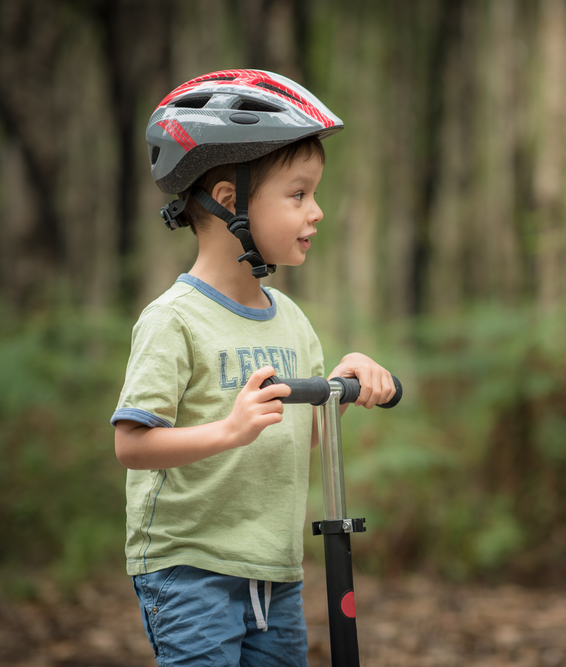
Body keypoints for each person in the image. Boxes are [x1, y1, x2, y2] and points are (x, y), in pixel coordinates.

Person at [111, 69, 395, 667]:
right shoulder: (175, 320)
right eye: (297, 195)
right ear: (229, 200)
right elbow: (132, 444)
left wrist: (348, 382)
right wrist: (228, 430)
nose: (316, 212)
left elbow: (308, 434)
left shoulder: (291, 320)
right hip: (188, 567)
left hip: (273, 568)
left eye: (314, 194)